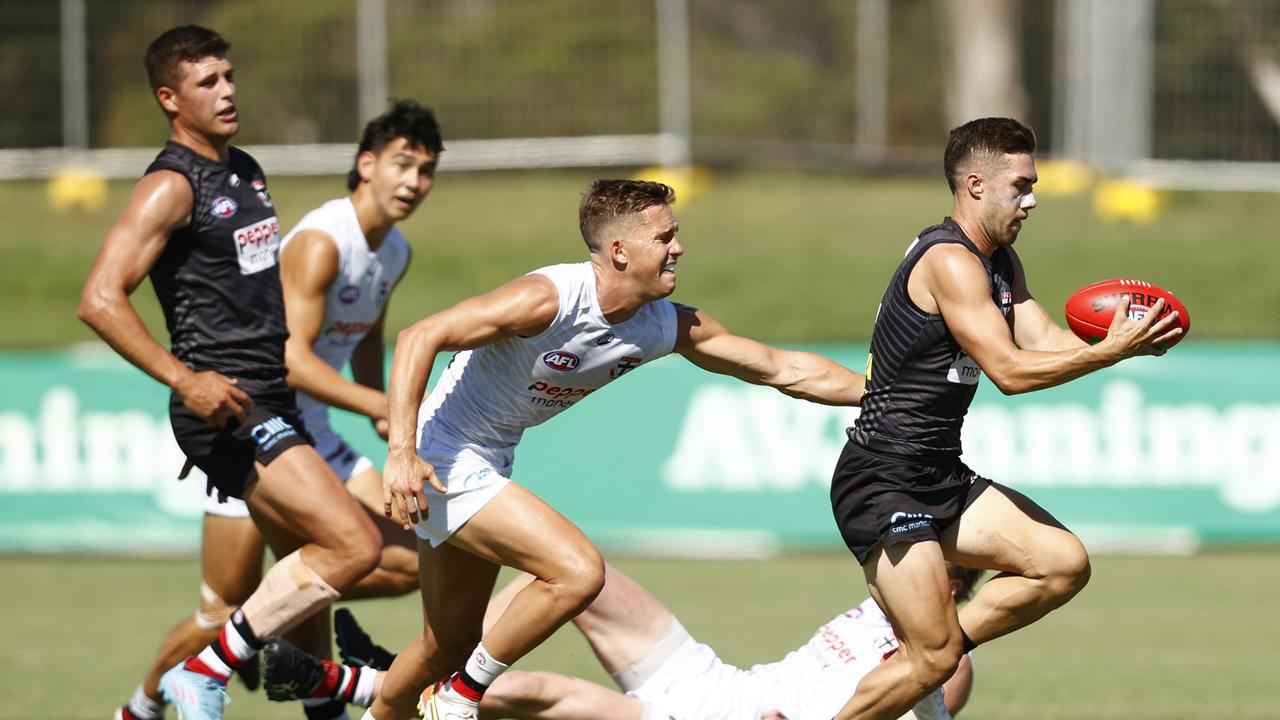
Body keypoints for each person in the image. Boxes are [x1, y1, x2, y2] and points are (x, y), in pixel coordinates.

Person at [371, 178, 866, 720]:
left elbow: (782, 368)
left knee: (446, 645)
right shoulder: (549, 298)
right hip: (443, 458)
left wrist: (883, 397)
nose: (678, 247)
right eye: (665, 237)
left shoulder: (663, 325)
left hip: (488, 460)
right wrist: (402, 452)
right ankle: (461, 699)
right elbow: (420, 336)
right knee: (579, 571)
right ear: (620, 252)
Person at [826, 117, 1182, 720]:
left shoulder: (998, 260)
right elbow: (1011, 373)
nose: (1032, 198)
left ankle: (925, 652)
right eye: (1020, 185)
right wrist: (1106, 353)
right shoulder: (949, 261)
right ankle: (925, 657)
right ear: (975, 185)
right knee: (933, 662)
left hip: (939, 474)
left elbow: (1042, 340)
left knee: (1062, 564)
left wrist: (1126, 338)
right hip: (881, 479)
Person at [79, 25, 384, 720]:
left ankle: (169, 709)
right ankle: (204, 674)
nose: (226, 91)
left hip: (273, 399)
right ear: (169, 98)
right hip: (227, 407)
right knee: (355, 546)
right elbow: (98, 298)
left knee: (310, 580)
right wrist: (185, 379)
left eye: (229, 76)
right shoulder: (169, 186)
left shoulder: (244, 168)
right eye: (206, 83)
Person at [106, 98, 444, 720]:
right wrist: (385, 404)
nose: (412, 182)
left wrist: (376, 406)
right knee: (225, 612)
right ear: (365, 164)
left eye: (425, 171)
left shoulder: (394, 252)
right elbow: (292, 362)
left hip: (312, 434)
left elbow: (366, 332)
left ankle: (283, 646)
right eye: (401, 164)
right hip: (261, 430)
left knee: (401, 563)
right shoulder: (321, 242)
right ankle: (142, 709)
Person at [262, 562, 984, 720]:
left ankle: (346, 683)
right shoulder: (881, 609)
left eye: (923, 553)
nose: (898, 553)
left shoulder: (944, 659)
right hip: (717, 685)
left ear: (947, 585)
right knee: (575, 572)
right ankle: (413, 672)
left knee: (536, 694)